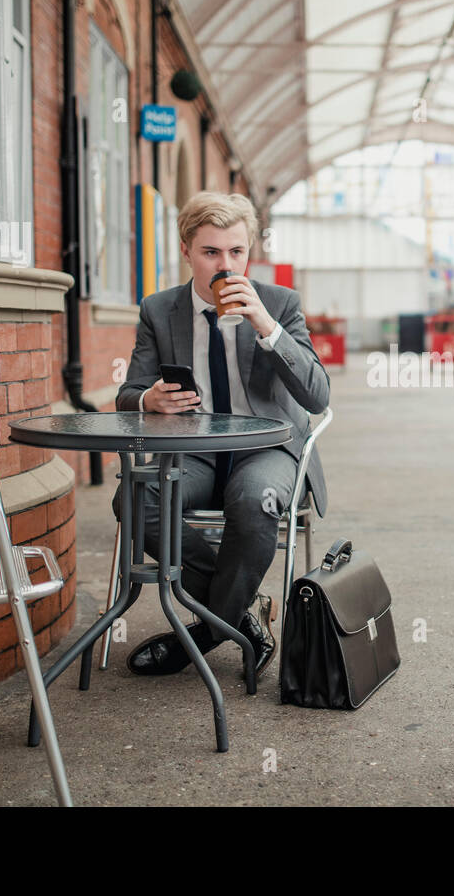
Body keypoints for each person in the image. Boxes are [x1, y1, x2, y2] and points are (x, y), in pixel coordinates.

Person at [111, 191, 329, 679]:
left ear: (249, 250)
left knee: (254, 503)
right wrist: (149, 400)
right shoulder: (159, 310)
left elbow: (317, 395)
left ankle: (201, 636)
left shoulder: (279, 303)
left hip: (267, 448)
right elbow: (129, 393)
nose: (225, 265)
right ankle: (239, 616)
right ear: (187, 250)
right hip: (195, 449)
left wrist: (268, 328)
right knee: (135, 498)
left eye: (237, 252)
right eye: (211, 253)